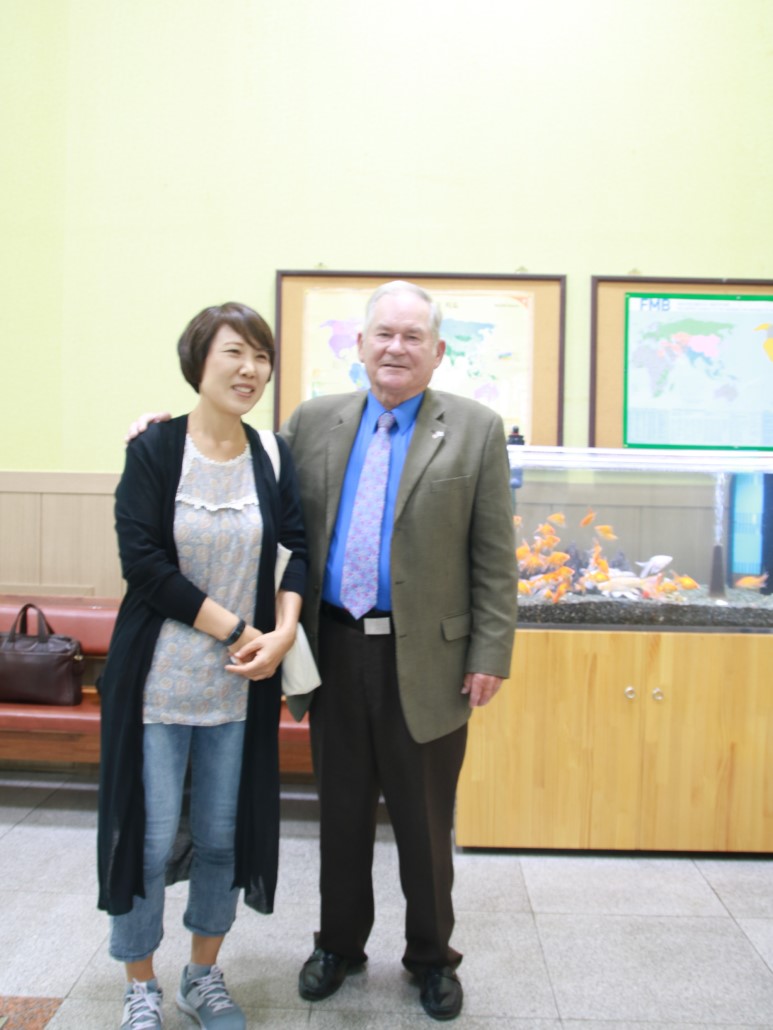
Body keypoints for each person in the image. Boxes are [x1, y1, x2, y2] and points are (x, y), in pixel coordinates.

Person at [129, 280, 518, 1022]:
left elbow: (495, 555)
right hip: (331, 649)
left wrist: (490, 651)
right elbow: (239, 458)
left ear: (438, 351)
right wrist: (159, 433)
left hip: (429, 659)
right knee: (338, 815)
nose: (396, 347)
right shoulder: (312, 422)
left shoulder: (474, 429)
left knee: (424, 823)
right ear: (361, 345)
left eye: (412, 336)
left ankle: (431, 957)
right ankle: (338, 945)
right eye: (383, 334)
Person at [99, 302, 308, 1030]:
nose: (250, 369)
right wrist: (240, 630)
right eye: (234, 353)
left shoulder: (272, 455)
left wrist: (282, 634)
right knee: (149, 837)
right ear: (199, 361)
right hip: (156, 684)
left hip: (240, 689)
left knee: (222, 837)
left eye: (261, 356)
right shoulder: (154, 450)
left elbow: (296, 550)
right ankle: (140, 983)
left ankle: (202, 976)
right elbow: (144, 566)